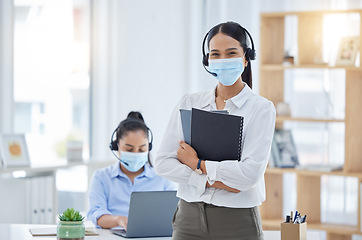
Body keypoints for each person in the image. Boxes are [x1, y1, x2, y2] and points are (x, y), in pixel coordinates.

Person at [155, 22, 276, 240]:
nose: (223, 60)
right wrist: (214, 181)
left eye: (231, 53)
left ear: (246, 58)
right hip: (188, 218)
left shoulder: (261, 109)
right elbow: (163, 162)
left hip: (237, 221)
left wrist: (196, 164)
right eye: (215, 54)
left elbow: (249, 176)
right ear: (207, 61)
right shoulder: (189, 102)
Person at [87, 111, 176, 229]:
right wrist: (119, 220)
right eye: (129, 149)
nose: (135, 153)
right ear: (116, 146)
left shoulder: (162, 178)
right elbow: (96, 215)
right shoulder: (101, 177)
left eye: (141, 149)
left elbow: (175, 213)